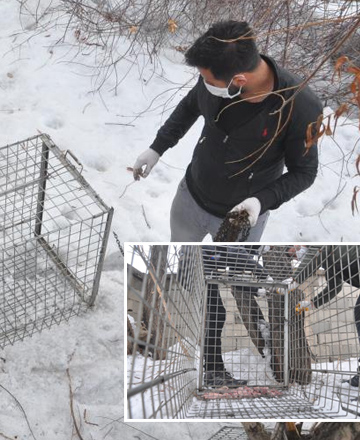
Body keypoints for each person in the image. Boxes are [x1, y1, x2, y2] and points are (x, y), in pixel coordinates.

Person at [130, 21, 322, 242]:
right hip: (191, 198)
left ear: (239, 80)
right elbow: (190, 106)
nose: (204, 84)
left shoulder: (299, 106)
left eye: (209, 81)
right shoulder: (219, 72)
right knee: (182, 258)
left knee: (224, 273)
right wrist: (158, 147)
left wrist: (261, 200)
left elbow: (304, 172)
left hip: (241, 219)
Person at [294, 245, 360, 413]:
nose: (295, 252)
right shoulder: (331, 260)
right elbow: (334, 287)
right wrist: (311, 303)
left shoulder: (325, 246)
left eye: (294, 250)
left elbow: (315, 252)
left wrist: (294, 281)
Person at [200, 245, 270, 386]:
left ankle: (214, 370)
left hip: (205, 273)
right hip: (198, 271)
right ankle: (213, 372)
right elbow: (240, 255)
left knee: (217, 315)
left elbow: (234, 281)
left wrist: (257, 291)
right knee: (216, 316)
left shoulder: (232, 257)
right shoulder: (236, 248)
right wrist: (266, 277)